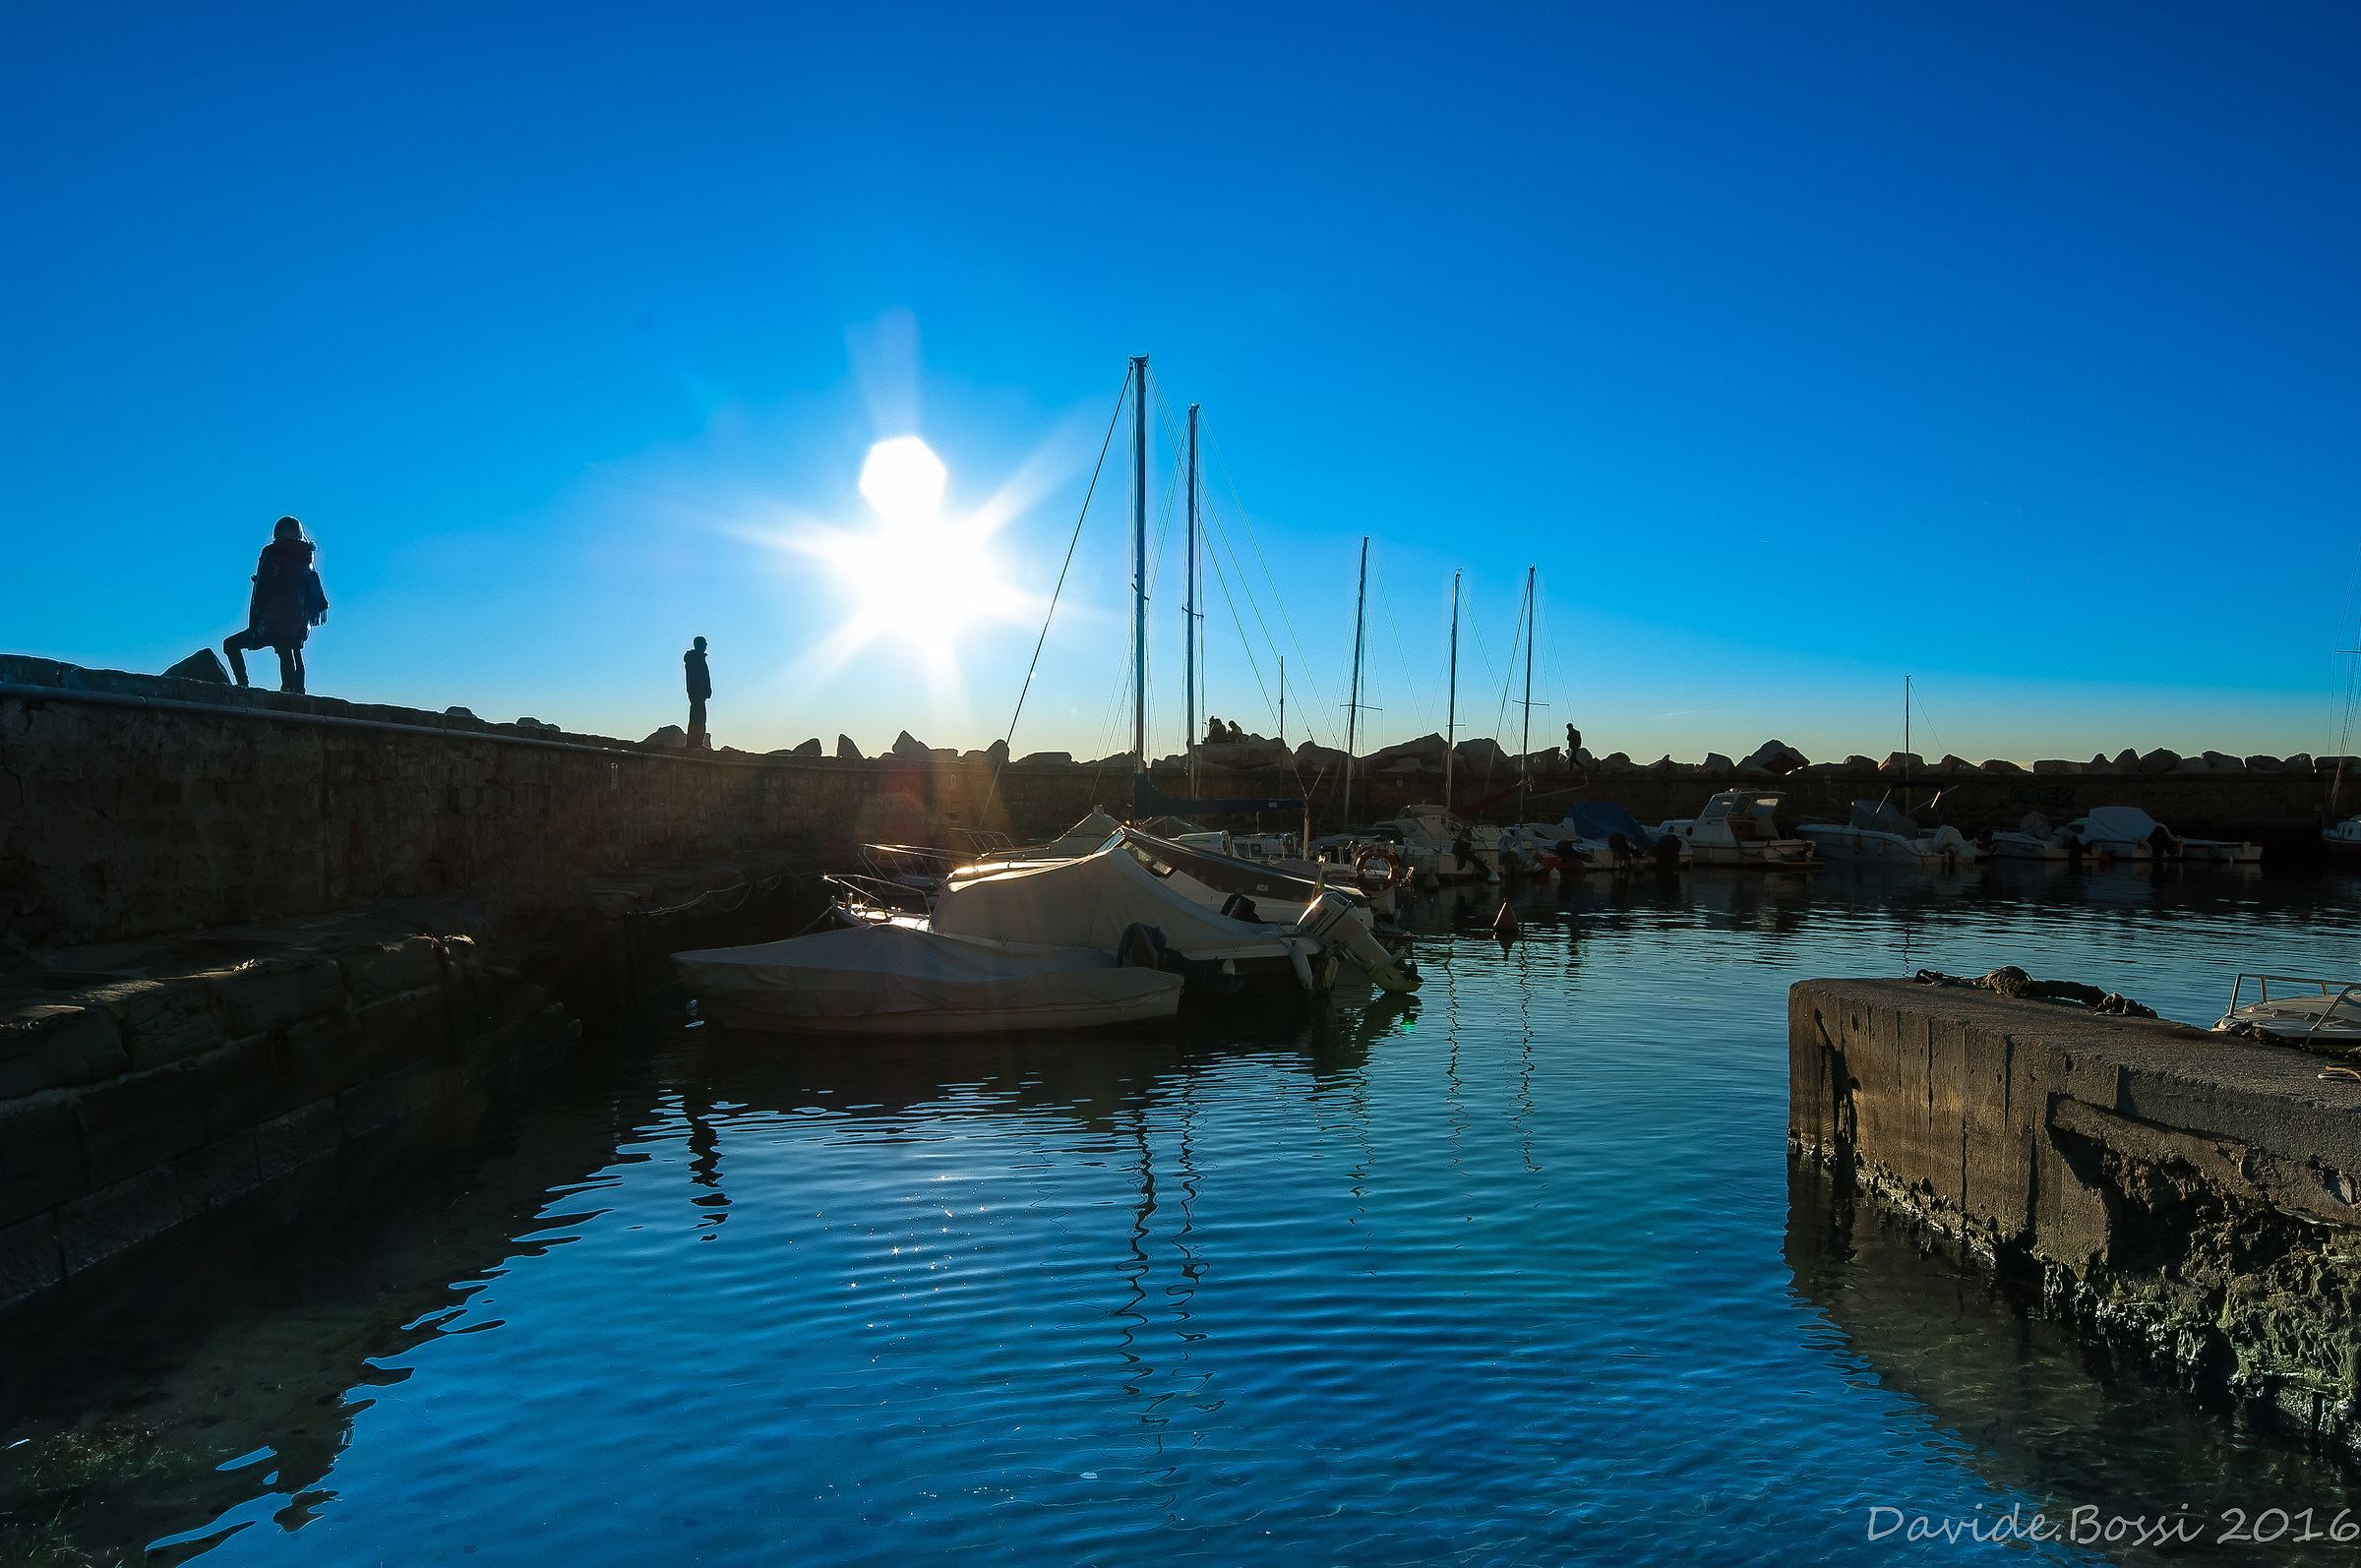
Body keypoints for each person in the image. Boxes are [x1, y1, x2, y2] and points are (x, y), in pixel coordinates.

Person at [222, 516, 328, 694]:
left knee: (230, 645)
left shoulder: (274, 553)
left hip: (273, 619)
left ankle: (243, 686)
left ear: (277, 532)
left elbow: (266, 585)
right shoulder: (307, 559)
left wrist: (259, 596)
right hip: (299, 622)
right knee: (292, 650)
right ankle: (296, 690)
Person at [685, 636, 712, 748]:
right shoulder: (695, 658)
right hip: (697, 692)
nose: (706, 646)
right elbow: (698, 677)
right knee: (698, 717)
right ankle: (694, 744)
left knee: (699, 717)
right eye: (704, 644)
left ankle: (696, 743)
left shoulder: (697, 658)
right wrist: (702, 689)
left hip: (698, 692)